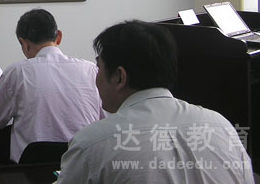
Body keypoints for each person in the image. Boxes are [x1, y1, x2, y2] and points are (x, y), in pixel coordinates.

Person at [57, 20, 254, 184]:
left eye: (98, 68)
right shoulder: (221, 126)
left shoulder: (92, 143)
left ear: (119, 77)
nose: (96, 77)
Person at [0, 8, 105, 163]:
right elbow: (106, 120)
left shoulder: (18, 72)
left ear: (24, 43)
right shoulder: (91, 70)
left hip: (32, 169)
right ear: (59, 37)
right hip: (83, 165)